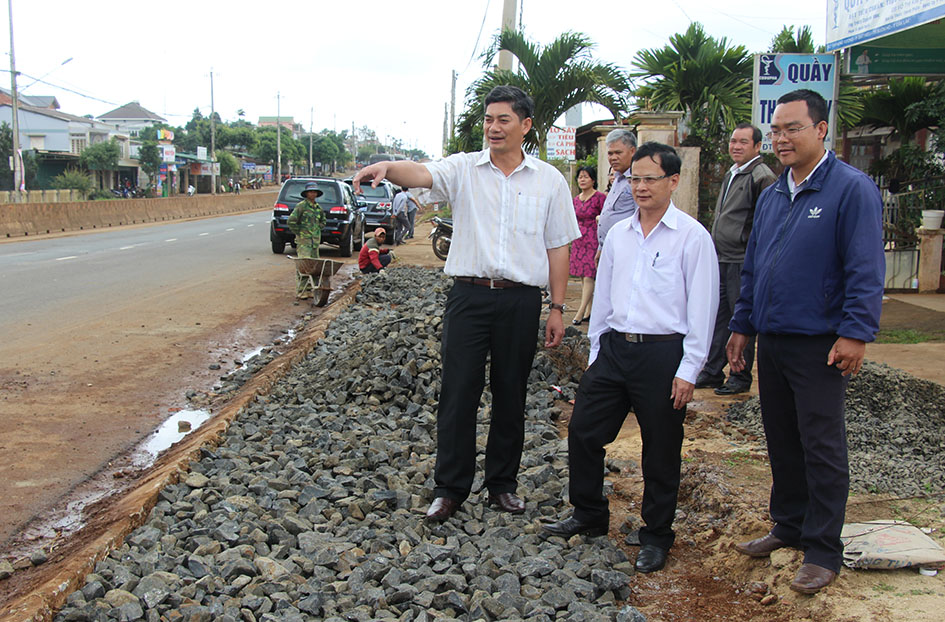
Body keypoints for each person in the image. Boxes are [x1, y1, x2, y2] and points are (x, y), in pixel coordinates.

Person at [352, 85, 580, 523]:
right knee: (458, 394)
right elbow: (422, 173)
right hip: (469, 297)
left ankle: (502, 485)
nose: (493, 127)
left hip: (521, 301)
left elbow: (558, 246)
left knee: (511, 393)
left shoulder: (549, 180)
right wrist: (388, 167)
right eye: (489, 119)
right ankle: (450, 489)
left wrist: (557, 307)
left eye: (503, 120)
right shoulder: (464, 169)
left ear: (525, 125)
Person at [726, 89, 884, 594]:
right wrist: (742, 325)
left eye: (792, 128)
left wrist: (856, 332)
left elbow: (865, 267)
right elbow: (754, 267)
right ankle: (789, 525)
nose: (781, 138)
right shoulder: (775, 193)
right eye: (776, 130)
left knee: (821, 445)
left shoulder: (850, 189)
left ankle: (822, 548)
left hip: (821, 344)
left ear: (820, 129)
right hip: (773, 338)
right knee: (781, 438)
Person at [542, 142, 718, 575]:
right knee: (584, 431)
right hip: (615, 349)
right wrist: (596, 353)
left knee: (661, 448)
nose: (640, 187)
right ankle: (589, 513)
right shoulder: (619, 234)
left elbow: (703, 308)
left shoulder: (692, 237)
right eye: (634, 179)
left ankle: (656, 534)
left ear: (673, 181)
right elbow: (603, 297)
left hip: (663, 354)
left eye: (649, 179)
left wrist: (689, 369)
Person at [696, 123, 777, 395]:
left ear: (757, 146)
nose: (736, 146)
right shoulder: (733, 172)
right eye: (733, 141)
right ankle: (712, 371)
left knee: (740, 318)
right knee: (720, 319)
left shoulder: (762, 176)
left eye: (743, 142)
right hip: (721, 258)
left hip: (742, 260)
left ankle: (740, 376)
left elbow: (766, 223)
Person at [569, 165, 606, 325]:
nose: (582, 180)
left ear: (593, 180)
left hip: (593, 239)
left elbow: (606, 217)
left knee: (589, 275)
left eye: (586, 177)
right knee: (582, 277)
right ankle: (589, 311)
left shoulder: (599, 198)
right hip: (579, 239)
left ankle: (580, 311)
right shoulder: (576, 199)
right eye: (580, 177)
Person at [595, 129, 638, 259]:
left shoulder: (636, 180)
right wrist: (601, 247)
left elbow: (642, 218)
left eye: (618, 153)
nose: (613, 157)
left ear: (632, 151)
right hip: (608, 248)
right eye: (610, 153)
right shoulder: (618, 179)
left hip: (626, 250)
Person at [287, 182, 327, 299]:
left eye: (314, 192)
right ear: (306, 194)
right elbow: (291, 221)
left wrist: (317, 230)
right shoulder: (301, 206)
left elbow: (323, 222)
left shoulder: (318, 208)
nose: (312, 194)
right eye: (310, 192)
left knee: (314, 267)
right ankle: (301, 291)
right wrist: (300, 232)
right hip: (304, 242)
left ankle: (310, 289)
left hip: (315, 242)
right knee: (304, 266)